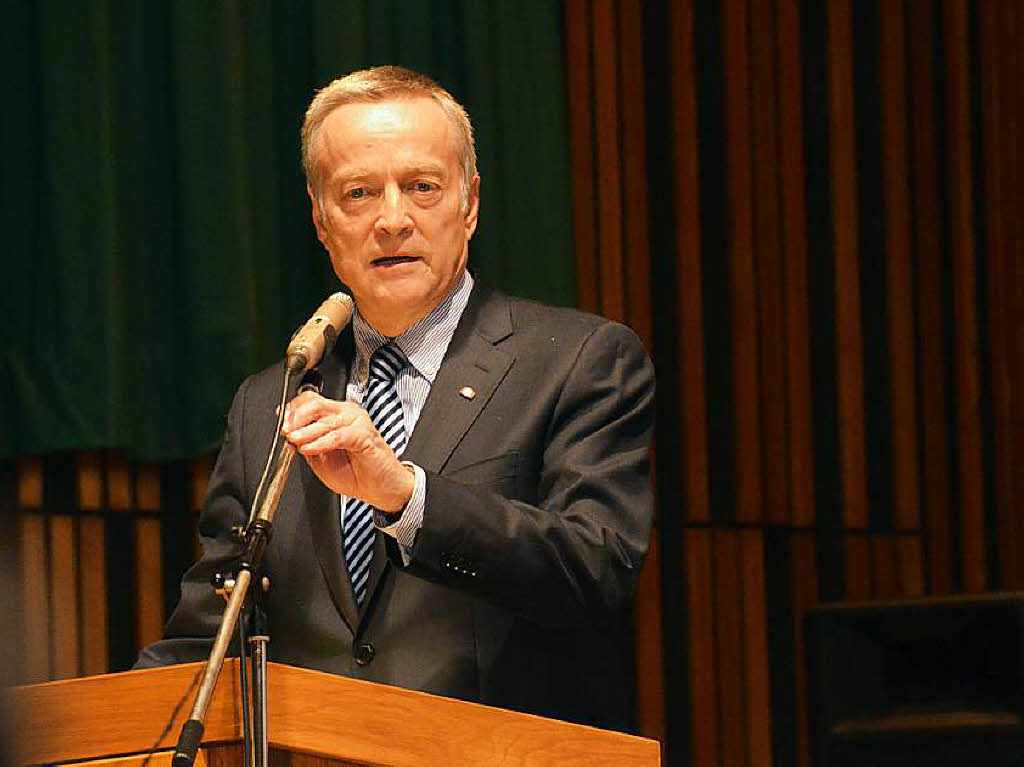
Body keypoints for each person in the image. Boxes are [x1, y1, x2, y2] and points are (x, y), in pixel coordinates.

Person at [136, 65, 655, 732]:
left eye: (421, 187)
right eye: (357, 193)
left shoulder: (577, 360)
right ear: (321, 220)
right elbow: (207, 637)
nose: (391, 219)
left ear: (469, 203)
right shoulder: (270, 400)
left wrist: (410, 498)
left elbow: (595, 569)